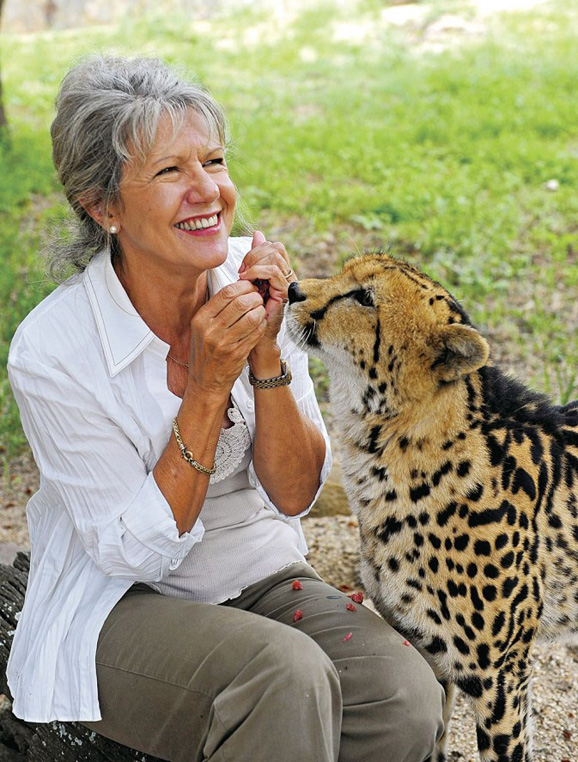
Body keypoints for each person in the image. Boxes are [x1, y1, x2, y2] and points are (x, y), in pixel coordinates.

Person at [7, 55, 444, 762]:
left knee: (401, 695)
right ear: (103, 206)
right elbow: (133, 551)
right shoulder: (51, 351)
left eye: (213, 159)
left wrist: (267, 354)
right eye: (170, 172)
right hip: (121, 605)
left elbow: (296, 493)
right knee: (283, 675)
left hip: (258, 582)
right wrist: (208, 387)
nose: (208, 189)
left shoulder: (253, 275)